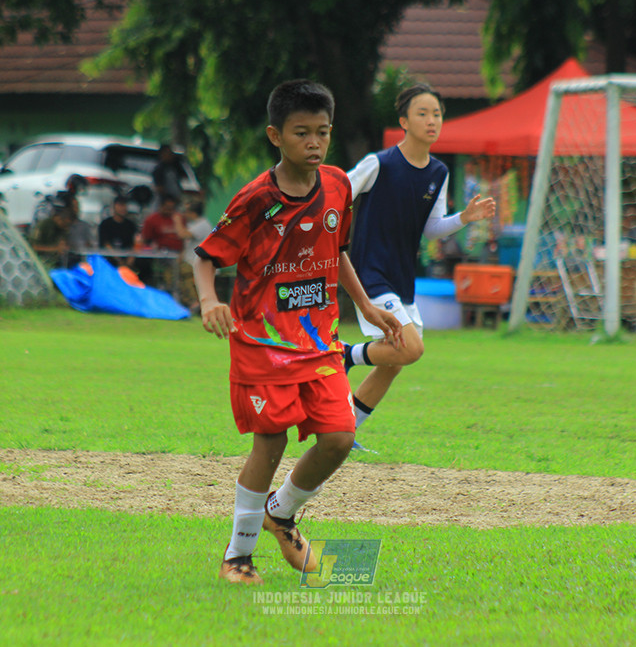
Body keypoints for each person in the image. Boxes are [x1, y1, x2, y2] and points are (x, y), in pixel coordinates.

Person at [194, 79, 403, 584]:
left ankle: (281, 512)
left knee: (339, 438)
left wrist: (365, 305)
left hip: (317, 340)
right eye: (301, 133)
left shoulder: (338, 186)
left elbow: (339, 250)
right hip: (262, 346)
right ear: (276, 136)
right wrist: (208, 300)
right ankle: (237, 557)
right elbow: (206, 257)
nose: (314, 143)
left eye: (323, 132)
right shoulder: (253, 200)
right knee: (269, 446)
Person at [342, 83, 496, 450]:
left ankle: (347, 431)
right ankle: (344, 354)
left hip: (401, 277)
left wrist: (465, 217)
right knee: (410, 349)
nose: (432, 120)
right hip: (369, 273)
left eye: (437, 114)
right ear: (403, 121)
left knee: (395, 360)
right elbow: (337, 195)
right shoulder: (378, 164)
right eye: (423, 113)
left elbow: (432, 228)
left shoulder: (439, 172)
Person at [141, 196, 186, 294]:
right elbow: (146, 239)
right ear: (161, 206)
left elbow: (185, 236)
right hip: (161, 254)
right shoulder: (152, 219)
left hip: (180, 254)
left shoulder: (178, 218)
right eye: (167, 208)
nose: (169, 211)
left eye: (171, 208)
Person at [174, 198, 211, 314]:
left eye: (186, 211)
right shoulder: (194, 224)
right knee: (173, 273)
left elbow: (182, 234)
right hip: (189, 260)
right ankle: (189, 302)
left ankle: (194, 303)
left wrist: (177, 221)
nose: (184, 214)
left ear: (192, 213)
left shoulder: (202, 225)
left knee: (183, 274)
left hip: (196, 263)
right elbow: (189, 244)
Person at [98, 196, 138, 269]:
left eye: (125, 205)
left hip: (127, 260)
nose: (123, 208)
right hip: (109, 262)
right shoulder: (105, 224)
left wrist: (129, 261)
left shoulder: (130, 225)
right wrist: (118, 260)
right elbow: (106, 244)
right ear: (114, 206)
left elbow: (135, 243)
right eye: (120, 205)